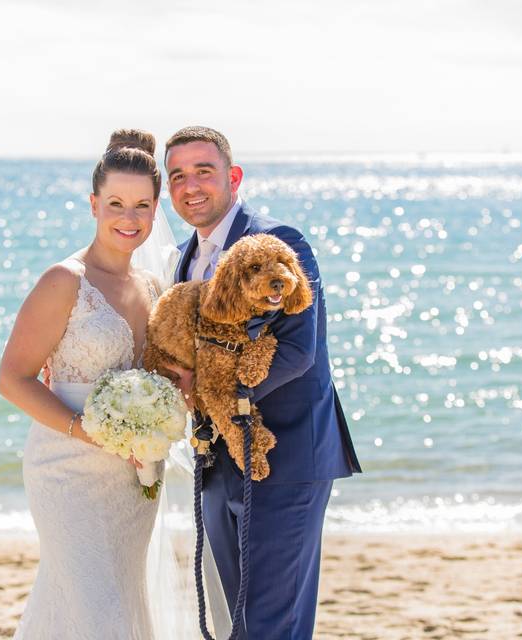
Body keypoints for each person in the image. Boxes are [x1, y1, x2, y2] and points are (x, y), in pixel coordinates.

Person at [164, 126, 362, 639]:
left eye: (203, 171)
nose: (191, 186)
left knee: (273, 624)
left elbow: (299, 350)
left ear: (233, 177)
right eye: (177, 175)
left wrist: (214, 394)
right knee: (239, 623)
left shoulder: (281, 242)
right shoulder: (186, 257)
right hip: (218, 463)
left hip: (288, 456)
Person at [0, 129, 167, 640]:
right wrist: (83, 430)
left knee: (109, 605)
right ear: (93, 204)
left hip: (134, 478)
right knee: (97, 613)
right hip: (67, 472)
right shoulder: (64, 280)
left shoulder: (154, 288)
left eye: (142, 205)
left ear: (157, 210)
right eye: (115, 202)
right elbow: (13, 379)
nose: (129, 218)